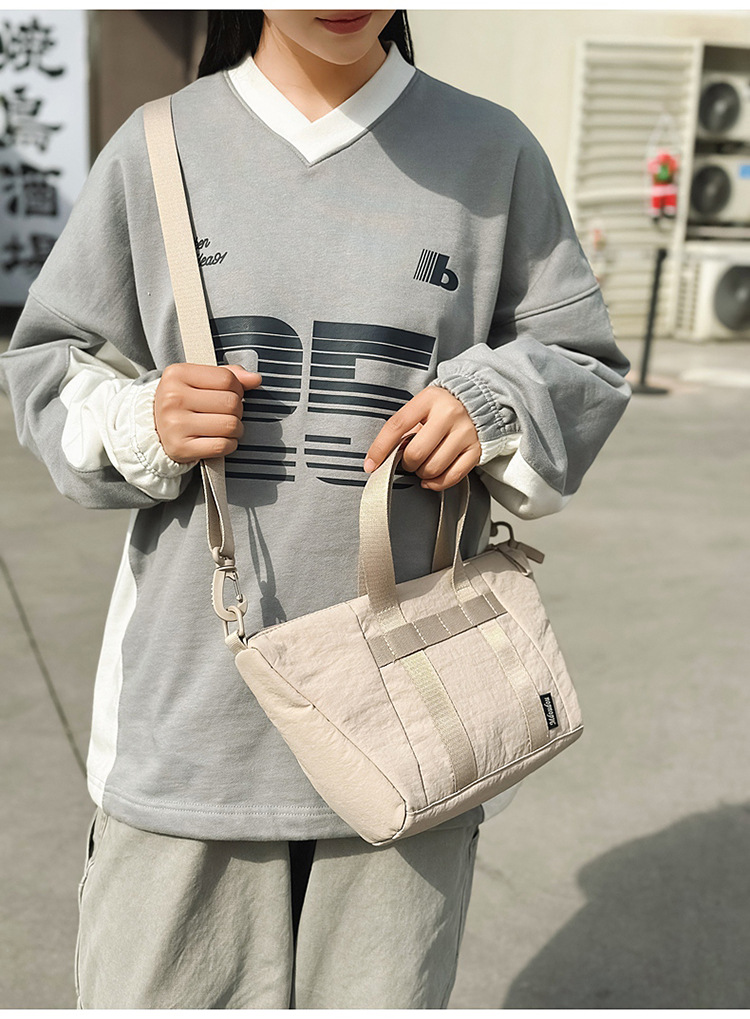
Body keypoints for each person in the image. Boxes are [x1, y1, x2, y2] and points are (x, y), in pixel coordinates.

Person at [0, 10, 631, 1009]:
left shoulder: (493, 152)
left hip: (415, 727)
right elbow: (46, 365)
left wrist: (493, 402)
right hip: (191, 729)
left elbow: (580, 361)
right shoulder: (159, 145)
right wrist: (140, 414)